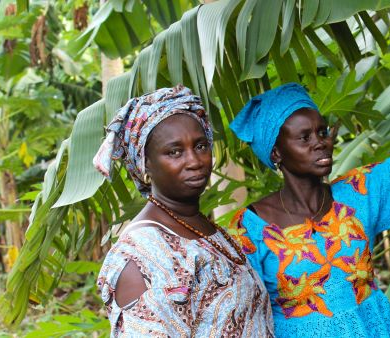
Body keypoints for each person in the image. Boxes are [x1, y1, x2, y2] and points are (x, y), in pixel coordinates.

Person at [226, 72, 390, 337]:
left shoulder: (357, 192)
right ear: (276, 153)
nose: (321, 143)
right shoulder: (248, 229)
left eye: (322, 132)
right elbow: (241, 317)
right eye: (304, 137)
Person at [92, 85, 274, 337]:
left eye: (200, 146)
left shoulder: (209, 231)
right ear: (146, 164)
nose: (194, 161)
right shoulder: (140, 255)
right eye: (174, 152)